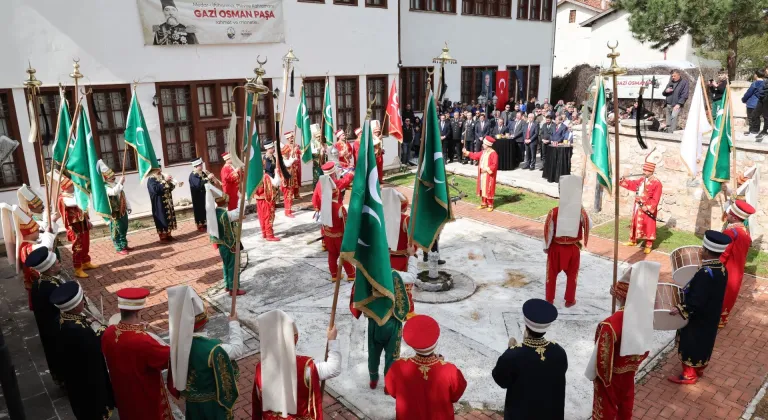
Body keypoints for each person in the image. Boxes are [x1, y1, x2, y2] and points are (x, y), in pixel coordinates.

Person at [588, 261, 659, 420]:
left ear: (620, 295)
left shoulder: (610, 324)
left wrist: (602, 380)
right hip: (629, 372)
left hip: (611, 376)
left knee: (606, 409)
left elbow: (602, 361)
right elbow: (645, 347)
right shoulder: (646, 317)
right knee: (625, 406)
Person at [167, 285, 244, 420]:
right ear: (204, 320)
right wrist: (234, 323)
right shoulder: (212, 348)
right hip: (213, 407)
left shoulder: (176, 344)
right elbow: (237, 349)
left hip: (193, 404)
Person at [251, 310, 342, 419]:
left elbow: (257, 400)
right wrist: (332, 340)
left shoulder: (260, 368)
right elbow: (333, 368)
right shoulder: (306, 368)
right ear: (294, 338)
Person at [668, 231, 732, 384]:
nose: (700, 251)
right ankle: (699, 369)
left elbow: (697, 300)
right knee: (705, 342)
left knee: (692, 342)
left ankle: (689, 375)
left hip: (699, 317)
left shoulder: (705, 273)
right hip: (711, 315)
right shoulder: (721, 268)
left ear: (707, 251)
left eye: (703, 249)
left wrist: (681, 307)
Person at [102, 288, 173, 420]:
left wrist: (140, 329)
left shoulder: (108, 333)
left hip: (123, 396)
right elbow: (170, 358)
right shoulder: (144, 341)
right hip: (144, 397)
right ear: (139, 311)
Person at [350, 246, 414, 391]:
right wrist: (412, 256)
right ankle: (388, 385)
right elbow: (412, 276)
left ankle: (373, 380)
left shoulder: (366, 275)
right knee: (392, 356)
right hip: (393, 322)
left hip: (374, 322)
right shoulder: (394, 274)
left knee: (373, 353)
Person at [492, 299, 567, 420]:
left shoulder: (513, 355)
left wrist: (510, 350)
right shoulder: (559, 351)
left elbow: (500, 379)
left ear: (526, 325)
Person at [50, 281, 115, 420]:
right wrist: (103, 331)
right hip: (87, 379)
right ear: (74, 308)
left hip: (74, 375)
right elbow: (94, 347)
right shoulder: (78, 330)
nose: (84, 303)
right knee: (93, 409)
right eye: (81, 301)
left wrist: (87, 322)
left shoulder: (61, 319)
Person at [385, 315, 467, 419]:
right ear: (435, 343)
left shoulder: (398, 367)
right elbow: (456, 395)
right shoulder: (450, 370)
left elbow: (392, 391)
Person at [3, 189, 58, 306]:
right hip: (38, 284)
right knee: (43, 306)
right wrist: (51, 224)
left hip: (36, 283)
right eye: (36, 231)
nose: (39, 232)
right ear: (29, 233)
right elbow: (46, 246)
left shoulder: (27, 243)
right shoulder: (29, 247)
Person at [543, 175, 591, 307]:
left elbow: (549, 232)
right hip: (573, 249)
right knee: (572, 276)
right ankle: (570, 300)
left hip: (556, 248)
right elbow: (589, 225)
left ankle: (549, 300)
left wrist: (546, 247)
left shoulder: (554, 212)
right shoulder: (580, 212)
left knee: (551, 275)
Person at [26, 246, 67, 386]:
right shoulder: (52, 287)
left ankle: (60, 378)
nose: (59, 263)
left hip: (48, 330)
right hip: (57, 331)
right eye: (57, 263)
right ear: (50, 269)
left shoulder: (39, 282)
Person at [312, 162, 356, 282]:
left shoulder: (320, 184)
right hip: (339, 236)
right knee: (344, 255)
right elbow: (346, 226)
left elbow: (314, 198)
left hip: (327, 233)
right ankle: (351, 274)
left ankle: (334, 275)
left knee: (332, 254)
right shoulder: (339, 208)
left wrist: (317, 207)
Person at [206, 184, 247, 295]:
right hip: (230, 244)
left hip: (221, 244)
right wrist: (242, 198)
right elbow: (240, 211)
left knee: (226, 265)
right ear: (226, 202)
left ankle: (228, 286)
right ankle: (234, 289)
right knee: (233, 267)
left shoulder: (213, 213)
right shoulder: (226, 214)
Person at [719, 200, 755, 327]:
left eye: (728, 213)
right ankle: (723, 318)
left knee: (722, 292)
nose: (726, 214)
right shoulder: (744, 231)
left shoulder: (730, 232)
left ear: (734, 217)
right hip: (738, 268)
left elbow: (724, 253)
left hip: (728, 267)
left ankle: (718, 318)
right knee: (730, 293)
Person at [619, 154, 662, 254]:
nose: (644, 172)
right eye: (644, 170)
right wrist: (623, 181)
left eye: (646, 171)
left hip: (647, 208)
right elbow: (633, 184)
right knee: (634, 222)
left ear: (651, 171)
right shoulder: (642, 180)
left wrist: (648, 207)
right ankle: (632, 241)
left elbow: (656, 198)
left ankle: (648, 245)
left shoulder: (657, 183)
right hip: (638, 205)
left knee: (649, 225)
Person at [57, 174, 97, 278]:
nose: (73, 187)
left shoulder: (75, 195)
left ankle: (86, 262)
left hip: (82, 222)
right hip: (73, 225)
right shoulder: (63, 198)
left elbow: (82, 208)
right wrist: (82, 195)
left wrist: (88, 220)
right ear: (65, 187)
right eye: (71, 185)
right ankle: (77, 268)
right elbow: (74, 204)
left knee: (86, 243)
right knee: (78, 247)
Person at [98, 159, 131, 255]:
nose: (113, 177)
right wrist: (121, 183)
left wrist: (128, 206)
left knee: (124, 228)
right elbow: (113, 192)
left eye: (113, 175)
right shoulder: (105, 186)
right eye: (110, 176)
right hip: (114, 213)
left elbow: (123, 195)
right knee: (116, 230)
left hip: (122, 210)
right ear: (105, 178)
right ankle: (119, 247)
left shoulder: (116, 184)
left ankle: (124, 245)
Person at [255, 140, 282, 242]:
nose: (273, 149)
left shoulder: (272, 157)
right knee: (268, 213)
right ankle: (268, 233)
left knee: (263, 213)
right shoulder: (266, 158)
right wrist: (276, 170)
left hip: (269, 185)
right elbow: (268, 168)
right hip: (268, 184)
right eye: (272, 148)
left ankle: (265, 232)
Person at [463, 136, 498, 211]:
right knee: (482, 188)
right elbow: (475, 155)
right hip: (482, 174)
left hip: (488, 175)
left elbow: (494, 165)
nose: (482, 145)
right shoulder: (483, 152)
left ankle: (490, 205)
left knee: (489, 189)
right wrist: (466, 152)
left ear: (488, 145)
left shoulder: (493, 153)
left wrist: (485, 170)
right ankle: (483, 203)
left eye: (484, 144)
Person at [147, 164, 178, 242]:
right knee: (162, 218)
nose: (160, 171)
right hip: (159, 203)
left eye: (160, 169)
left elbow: (169, 188)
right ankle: (163, 236)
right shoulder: (151, 179)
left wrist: (172, 183)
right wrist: (164, 182)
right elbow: (155, 190)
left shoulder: (163, 177)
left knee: (169, 217)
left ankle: (169, 234)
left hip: (168, 201)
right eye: (158, 169)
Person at [280, 131, 300, 218]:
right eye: (291, 137)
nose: (292, 139)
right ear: (287, 138)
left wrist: (296, 151)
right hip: (287, 173)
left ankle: (289, 208)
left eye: (293, 137)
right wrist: (292, 152)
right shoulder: (285, 148)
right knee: (288, 192)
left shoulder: (294, 146)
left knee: (291, 192)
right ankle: (287, 212)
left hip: (293, 171)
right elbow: (285, 159)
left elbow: (299, 154)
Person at [189, 157, 212, 232]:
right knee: (199, 210)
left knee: (205, 209)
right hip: (198, 196)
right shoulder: (193, 175)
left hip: (205, 195)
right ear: (196, 166)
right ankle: (200, 225)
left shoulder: (203, 173)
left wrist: (211, 179)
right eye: (200, 165)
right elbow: (198, 185)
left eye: (201, 165)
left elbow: (207, 181)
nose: (201, 166)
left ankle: (205, 223)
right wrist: (207, 178)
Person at [742, 70, 765, 136]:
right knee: (757, 117)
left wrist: (744, 99)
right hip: (761, 104)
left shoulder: (755, 83)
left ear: (756, 75)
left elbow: (748, 93)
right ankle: (756, 130)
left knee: (751, 118)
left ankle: (752, 131)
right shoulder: (765, 83)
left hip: (752, 103)